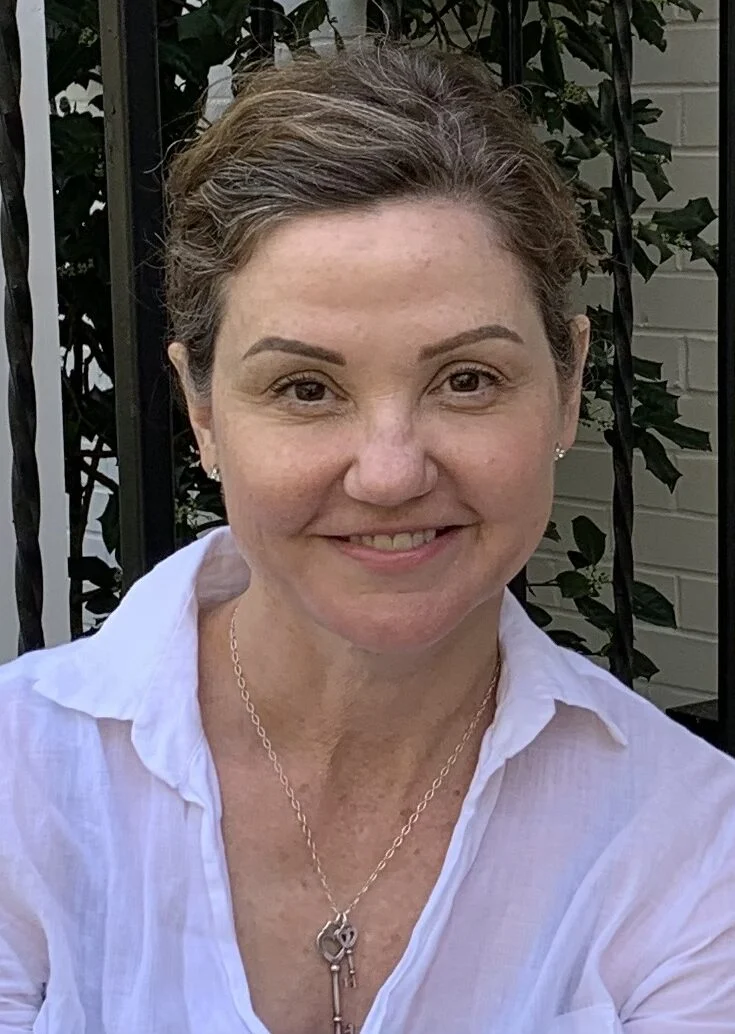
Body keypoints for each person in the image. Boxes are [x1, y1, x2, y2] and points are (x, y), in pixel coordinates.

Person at [1, 38, 734, 1034]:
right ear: (203, 412)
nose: (390, 473)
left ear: (567, 387)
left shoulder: (688, 838)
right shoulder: (23, 777)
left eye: (466, 379)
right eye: (306, 388)